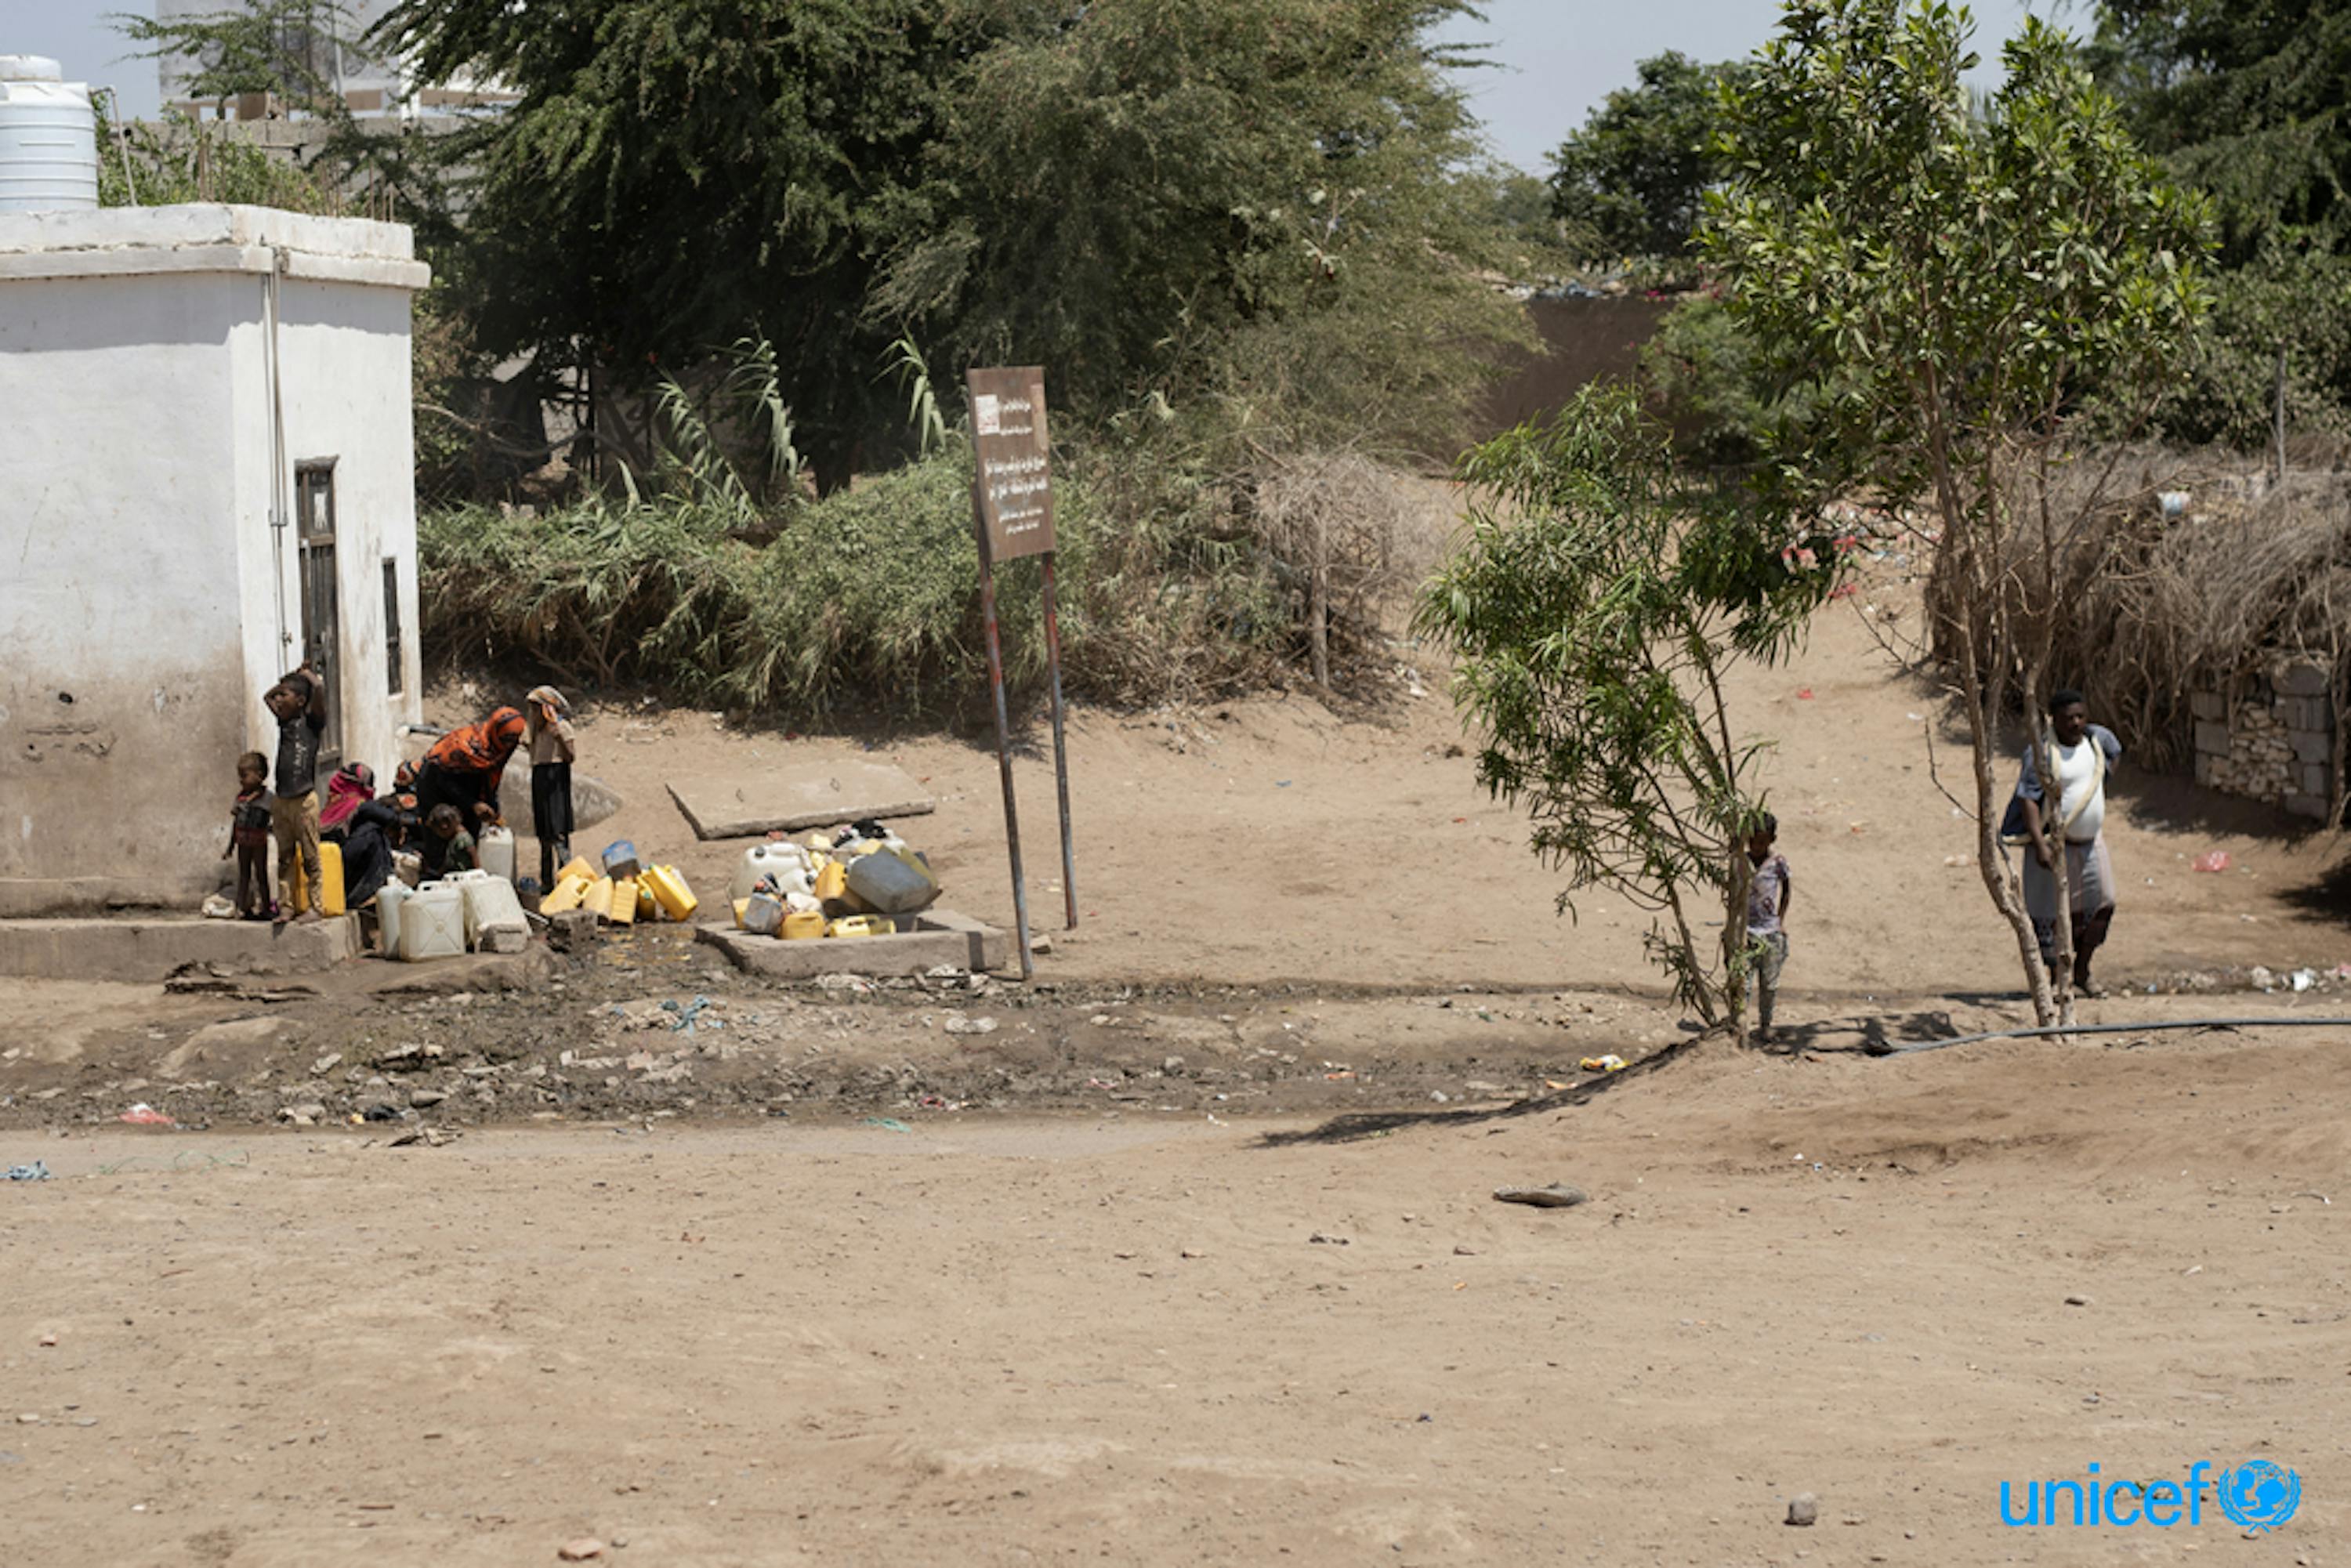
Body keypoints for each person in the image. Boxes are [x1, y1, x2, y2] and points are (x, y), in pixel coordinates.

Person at [2009, 688, 2124, 998]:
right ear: (2054, 720)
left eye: (2080, 716)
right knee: (2054, 917)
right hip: (2055, 846)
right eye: (2067, 718)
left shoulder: (2098, 741)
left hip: (2091, 843)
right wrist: (2041, 845)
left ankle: (2083, 971)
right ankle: (2059, 979)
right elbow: (2028, 799)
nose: (2075, 723)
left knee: (2103, 905)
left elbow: (2114, 757)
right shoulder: (2042, 752)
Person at [263, 664, 327, 924]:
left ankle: (316, 906)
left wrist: (307, 677)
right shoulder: (285, 722)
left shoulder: (312, 723)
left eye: (285, 696)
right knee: (285, 857)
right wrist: (283, 684)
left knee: (311, 856)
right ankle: (286, 906)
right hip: (282, 799)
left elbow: (319, 689)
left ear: (301, 701)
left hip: (303, 800)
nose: (279, 700)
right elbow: (266, 697)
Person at [412, 707, 527, 829]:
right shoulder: (463, 748)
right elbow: (444, 780)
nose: (509, 744)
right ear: (495, 730)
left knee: (470, 835)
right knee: (443, 829)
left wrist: (491, 804)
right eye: (506, 739)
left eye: (514, 739)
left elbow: (492, 774)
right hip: (436, 785)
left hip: (467, 787)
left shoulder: (502, 748)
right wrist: (472, 803)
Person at [1744, 813, 1793, 1043]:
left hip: (1770, 932)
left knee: (1769, 984)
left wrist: (1780, 921)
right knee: (1742, 983)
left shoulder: (1777, 863)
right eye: (1752, 841)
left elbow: (1786, 890)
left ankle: (1765, 1025)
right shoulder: (1741, 862)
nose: (1756, 847)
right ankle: (1740, 1025)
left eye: (1761, 842)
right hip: (1747, 931)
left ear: (1772, 839)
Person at [524, 685, 578, 889]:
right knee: (544, 833)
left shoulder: (562, 727)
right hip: (540, 778)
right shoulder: (536, 731)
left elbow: (571, 757)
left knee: (558, 830)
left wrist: (558, 737)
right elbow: (534, 752)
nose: (533, 714)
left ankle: (567, 879)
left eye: (536, 709)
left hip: (555, 778)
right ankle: (547, 881)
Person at [223, 751, 273, 921]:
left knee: (261, 875)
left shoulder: (267, 798)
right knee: (244, 875)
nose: (241, 780)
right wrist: (230, 846)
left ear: (259, 776)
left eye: (244, 776)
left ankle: (266, 907)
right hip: (243, 843)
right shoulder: (241, 798)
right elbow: (236, 823)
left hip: (259, 843)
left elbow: (277, 819)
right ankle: (241, 907)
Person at [426, 803, 477, 876]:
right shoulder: (452, 840)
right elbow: (448, 863)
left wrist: (477, 874)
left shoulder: (463, 839)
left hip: (465, 876)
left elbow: (473, 856)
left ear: (445, 826)